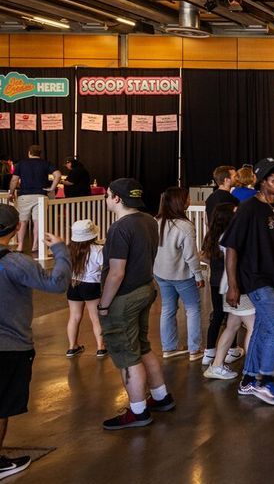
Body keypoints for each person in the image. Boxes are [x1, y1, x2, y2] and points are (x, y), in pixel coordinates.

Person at [97, 178, 175, 430]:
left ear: (117, 198)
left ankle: (138, 410)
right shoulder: (149, 221)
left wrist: (103, 304)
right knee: (142, 346)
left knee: (126, 355)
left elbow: (116, 272)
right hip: (145, 288)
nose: (106, 198)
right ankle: (161, 397)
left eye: (108, 194)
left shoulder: (120, 228)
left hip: (124, 296)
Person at [0, 203, 70, 480]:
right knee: (2, 406)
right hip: (9, 346)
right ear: (17, 227)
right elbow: (56, 284)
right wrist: (61, 250)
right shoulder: (16, 263)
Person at [221, 159, 274, 405]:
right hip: (255, 278)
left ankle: (249, 380)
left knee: (262, 328)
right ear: (262, 183)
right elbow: (231, 247)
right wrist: (233, 285)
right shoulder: (248, 208)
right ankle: (264, 382)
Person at [151, 187, 205, 361]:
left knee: (167, 309)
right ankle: (194, 349)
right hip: (182, 275)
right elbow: (191, 255)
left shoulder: (155, 221)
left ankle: (169, 348)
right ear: (179, 202)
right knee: (193, 309)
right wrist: (198, 275)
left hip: (160, 273)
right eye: (187, 198)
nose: (189, 201)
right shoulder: (184, 226)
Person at [202, 204, 252, 381]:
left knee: (232, 326)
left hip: (227, 287)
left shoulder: (218, 236)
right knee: (253, 327)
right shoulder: (231, 237)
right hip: (237, 287)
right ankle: (252, 372)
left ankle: (216, 366)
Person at [8, 145, 62, 253]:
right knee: (38, 222)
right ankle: (35, 246)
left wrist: (11, 192)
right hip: (41, 195)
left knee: (22, 222)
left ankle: (20, 246)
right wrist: (52, 188)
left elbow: (14, 180)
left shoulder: (21, 164)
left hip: (24, 195)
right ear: (40, 153)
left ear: (29, 153)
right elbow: (58, 174)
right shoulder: (46, 163)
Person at [65, 220, 106, 358]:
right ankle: (100, 347)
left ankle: (72, 347)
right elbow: (104, 267)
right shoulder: (98, 249)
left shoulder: (69, 250)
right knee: (95, 318)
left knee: (74, 317)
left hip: (73, 283)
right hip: (91, 285)